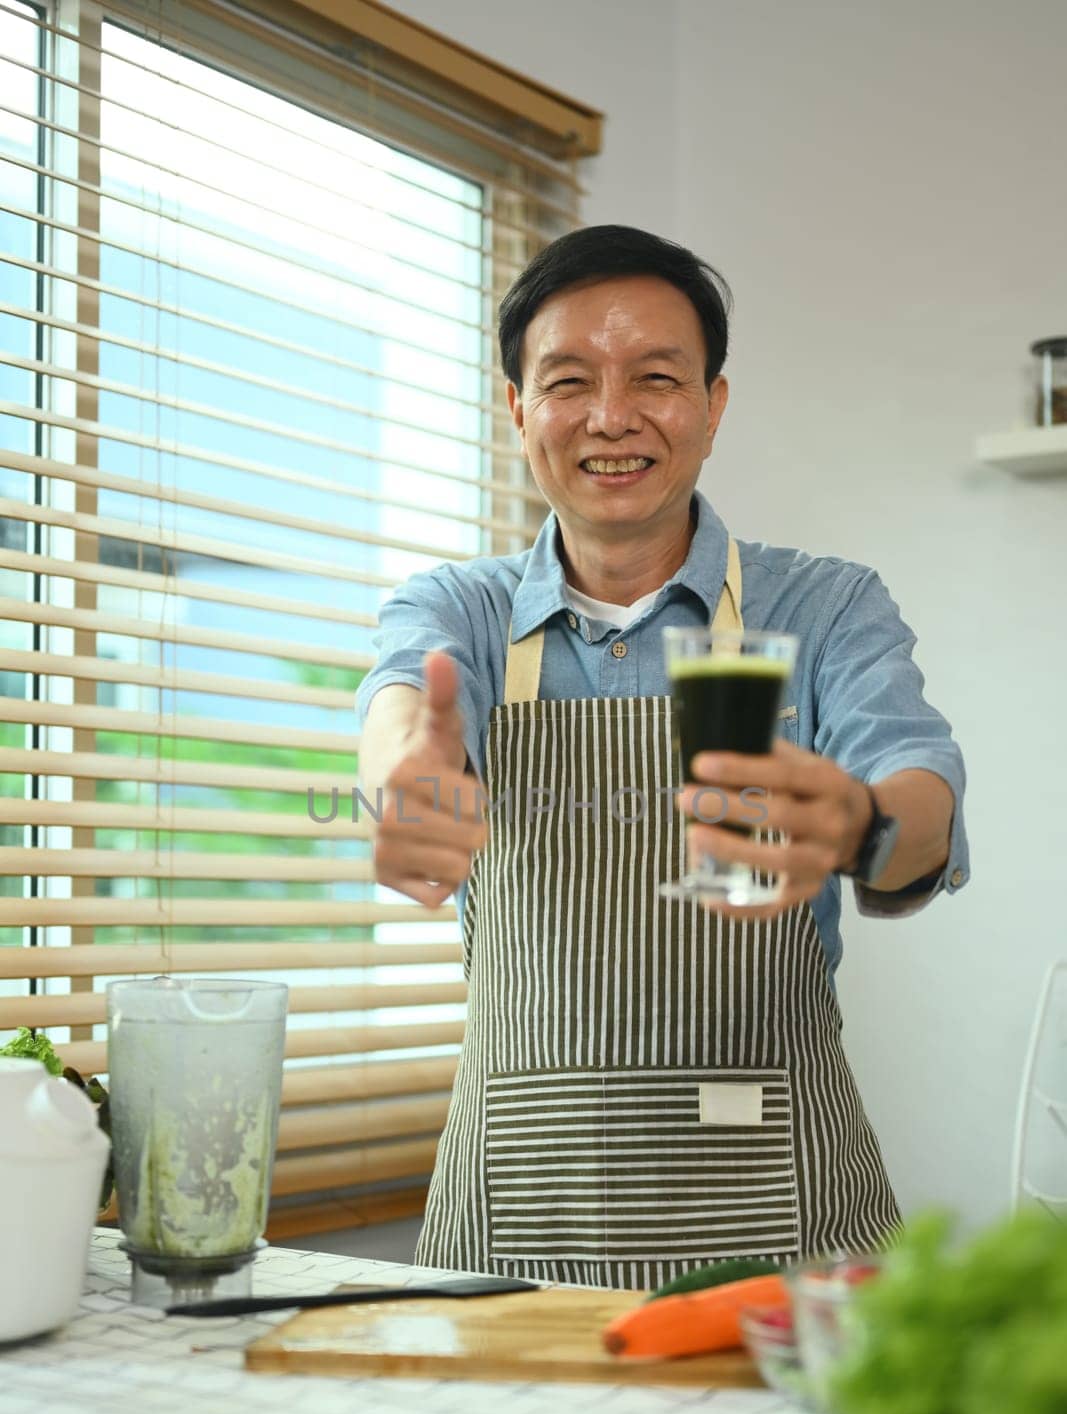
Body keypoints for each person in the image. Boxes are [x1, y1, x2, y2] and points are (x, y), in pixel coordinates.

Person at [355, 224, 969, 1290]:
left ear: (712, 406)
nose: (610, 416)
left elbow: (920, 795)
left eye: (655, 377)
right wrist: (406, 777)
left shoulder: (824, 607)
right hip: (517, 1213)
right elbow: (403, 705)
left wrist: (859, 825)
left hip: (784, 1212)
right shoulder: (459, 607)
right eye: (566, 381)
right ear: (514, 410)